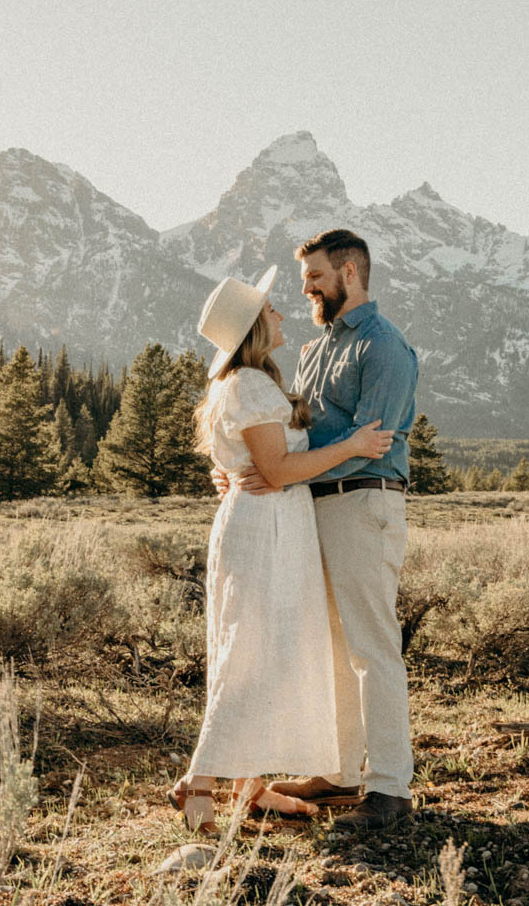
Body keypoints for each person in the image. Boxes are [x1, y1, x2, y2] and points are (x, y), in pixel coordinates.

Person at [170, 264, 396, 834]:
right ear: (252, 326)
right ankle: (199, 782)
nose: (281, 311)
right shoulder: (248, 383)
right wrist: (353, 446)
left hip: (269, 525)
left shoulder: (245, 382)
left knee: (265, 649)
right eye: (270, 308)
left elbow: (254, 463)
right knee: (250, 650)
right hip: (265, 530)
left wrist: (231, 473)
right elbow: (277, 469)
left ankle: (249, 789)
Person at [220, 229, 419, 832]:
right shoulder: (314, 349)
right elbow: (291, 436)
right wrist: (250, 467)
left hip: (364, 503)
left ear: (349, 274)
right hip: (314, 505)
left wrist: (281, 474)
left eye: (314, 277)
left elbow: (372, 442)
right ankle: (340, 772)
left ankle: (389, 788)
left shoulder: (383, 347)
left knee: (371, 646)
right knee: (331, 645)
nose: (305, 288)